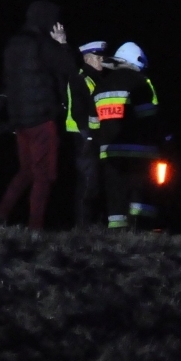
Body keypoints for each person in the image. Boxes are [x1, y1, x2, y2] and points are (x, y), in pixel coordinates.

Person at [0, 0, 76, 230]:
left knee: (25, 172)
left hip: (20, 120)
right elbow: (69, 68)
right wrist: (62, 44)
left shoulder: (12, 44)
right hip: (41, 119)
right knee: (44, 176)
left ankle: (0, 216)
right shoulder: (42, 44)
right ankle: (35, 228)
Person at [93, 42, 161, 230]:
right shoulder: (141, 82)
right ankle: (142, 230)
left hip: (110, 152)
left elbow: (93, 124)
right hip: (141, 151)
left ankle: (117, 234)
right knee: (141, 193)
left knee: (115, 193)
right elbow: (150, 117)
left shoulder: (101, 86)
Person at [68, 41, 107, 227]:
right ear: (87, 59)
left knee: (95, 182)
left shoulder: (96, 79)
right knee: (88, 182)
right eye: (98, 57)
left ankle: (93, 225)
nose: (102, 61)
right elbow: (79, 112)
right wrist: (90, 135)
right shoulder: (81, 78)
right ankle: (82, 227)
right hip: (84, 137)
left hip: (94, 136)